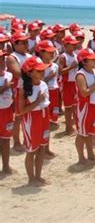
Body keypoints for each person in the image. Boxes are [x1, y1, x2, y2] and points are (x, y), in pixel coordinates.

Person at [18, 56, 51, 186]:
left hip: (44, 116)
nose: (42, 72)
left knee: (42, 147)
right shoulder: (24, 89)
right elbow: (22, 110)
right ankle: (31, 178)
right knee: (32, 150)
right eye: (39, 71)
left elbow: (46, 102)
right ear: (30, 73)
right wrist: (38, 100)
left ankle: (38, 175)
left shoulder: (43, 84)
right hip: (31, 119)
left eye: (42, 70)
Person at [75, 48, 95, 165]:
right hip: (85, 107)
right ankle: (81, 157)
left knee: (90, 132)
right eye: (91, 58)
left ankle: (90, 153)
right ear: (84, 61)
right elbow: (84, 92)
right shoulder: (80, 75)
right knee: (82, 133)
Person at [7, 32, 32, 152]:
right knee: (18, 116)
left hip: (29, 87)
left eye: (27, 42)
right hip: (19, 89)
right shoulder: (12, 57)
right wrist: (32, 72)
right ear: (15, 44)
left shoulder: (28, 56)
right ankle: (17, 142)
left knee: (28, 114)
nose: (26, 44)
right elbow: (17, 73)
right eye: (23, 43)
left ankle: (28, 139)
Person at [35, 40, 57, 159]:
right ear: (41, 52)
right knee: (40, 126)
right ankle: (41, 149)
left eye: (52, 52)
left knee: (46, 125)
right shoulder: (37, 63)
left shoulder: (50, 64)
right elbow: (39, 81)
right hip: (39, 98)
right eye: (49, 52)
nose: (52, 54)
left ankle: (46, 148)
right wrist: (49, 77)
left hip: (47, 94)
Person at [59, 35, 80, 135]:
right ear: (66, 45)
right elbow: (60, 71)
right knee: (68, 107)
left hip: (74, 83)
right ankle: (68, 128)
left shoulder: (75, 55)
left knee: (74, 106)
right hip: (67, 84)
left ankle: (73, 126)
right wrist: (71, 67)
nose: (74, 46)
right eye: (72, 44)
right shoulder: (63, 56)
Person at [0, 50, 14, 174]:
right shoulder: (7, 80)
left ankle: (6, 166)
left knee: (6, 139)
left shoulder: (9, 75)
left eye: (3, 58)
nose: (2, 61)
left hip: (7, 111)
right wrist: (5, 86)